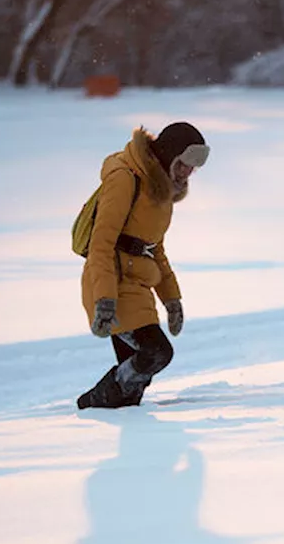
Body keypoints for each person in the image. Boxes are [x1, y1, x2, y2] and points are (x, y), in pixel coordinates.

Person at [77, 122, 209, 409]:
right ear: (169, 154)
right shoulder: (125, 178)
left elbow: (156, 249)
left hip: (138, 285)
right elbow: (101, 243)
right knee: (156, 353)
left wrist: (172, 299)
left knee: (134, 389)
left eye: (193, 168)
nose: (188, 173)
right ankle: (94, 400)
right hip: (112, 281)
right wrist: (104, 299)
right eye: (184, 164)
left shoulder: (163, 190)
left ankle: (118, 428)